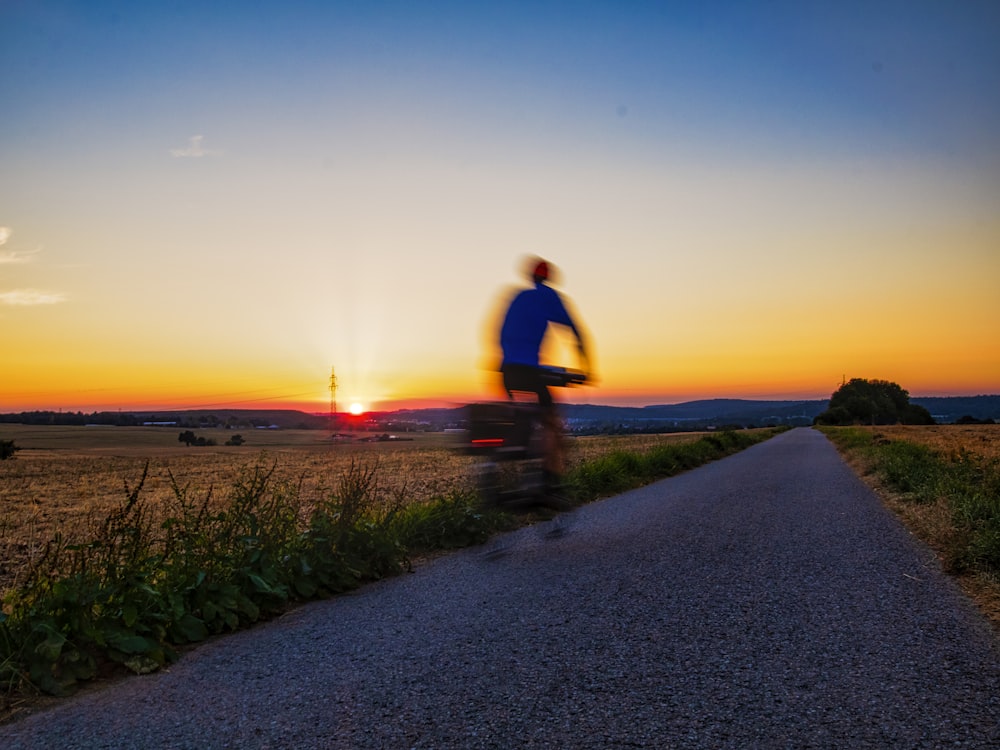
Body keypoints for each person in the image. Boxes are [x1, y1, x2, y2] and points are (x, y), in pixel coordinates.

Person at [498, 257, 590, 495]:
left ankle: (505, 468)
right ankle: (547, 481)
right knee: (550, 419)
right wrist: (585, 366)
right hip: (530, 370)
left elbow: (499, 335)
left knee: (523, 417)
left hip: (507, 371)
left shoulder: (517, 297)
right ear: (548, 277)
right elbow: (575, 331)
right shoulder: (549, 296)